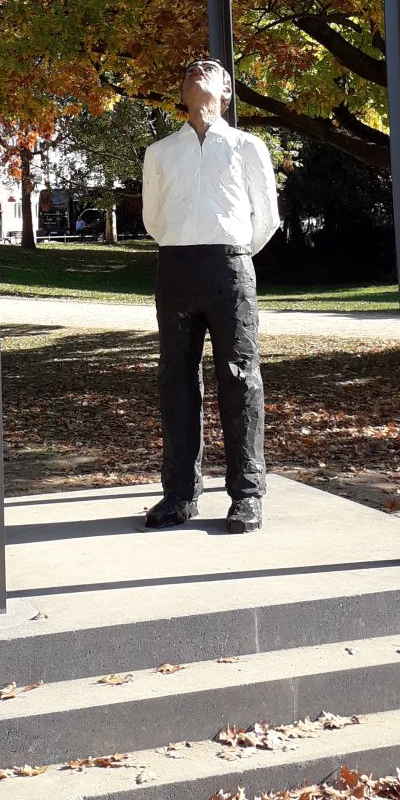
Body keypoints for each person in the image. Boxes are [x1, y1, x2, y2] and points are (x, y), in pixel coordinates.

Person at [140, 58, 280, 534]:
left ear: (227, 90)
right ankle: (178, 494)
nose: (200, 69)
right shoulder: (160, 153)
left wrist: (231, 250)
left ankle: (247, 495)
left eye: (212, 68)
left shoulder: (247, 147)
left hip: (230, 268)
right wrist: (189, 241)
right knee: (175, 381)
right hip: (175, 268)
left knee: (240, 377)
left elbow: (266, 219)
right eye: (191, 69)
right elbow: (153, 221)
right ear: (181, 91)